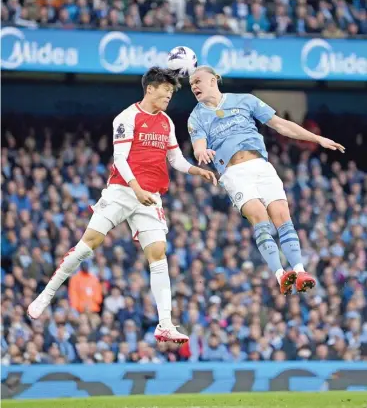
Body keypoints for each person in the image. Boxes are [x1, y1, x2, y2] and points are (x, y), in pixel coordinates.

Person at [28, 67, 217, 344]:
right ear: (150, 88)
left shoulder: (166, 122)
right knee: (88, 244)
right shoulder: (127, 118)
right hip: (122, 191)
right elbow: (120, 159)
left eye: (172, 91)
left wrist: (194, 171)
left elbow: (174, 159)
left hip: (150, 196)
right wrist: (136, 189)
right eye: (166, 89)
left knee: (158, 255)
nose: (169, 95)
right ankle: (46, 294)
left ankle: (165, 323)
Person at [187, 65, 345, 295]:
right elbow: (198, 145)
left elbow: (281, 125)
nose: (194, 86)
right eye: (191, 84)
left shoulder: (245, 101)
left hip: (261, 166)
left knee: (282, 214)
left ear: (213, 80)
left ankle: (299, 271)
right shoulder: (196, 116)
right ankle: (281, 275)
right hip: (234, 173)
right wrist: (200, 152)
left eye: (198, 81)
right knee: (259, 217)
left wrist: (317, 138)